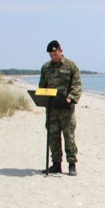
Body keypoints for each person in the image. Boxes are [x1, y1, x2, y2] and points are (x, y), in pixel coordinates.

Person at [39, 40, 82, 175]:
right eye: (51, 55)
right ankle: (56, 164)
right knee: (53, 136)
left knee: (68, 136)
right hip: (51, 109)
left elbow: (77, 85)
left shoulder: (71, 66)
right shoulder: (46, 67)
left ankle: (72, 164)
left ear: (61, 51)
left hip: (66, 109)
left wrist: (71, 97)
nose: (53, 57)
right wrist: (42, 96)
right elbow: (42, 86)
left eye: (55, 54)